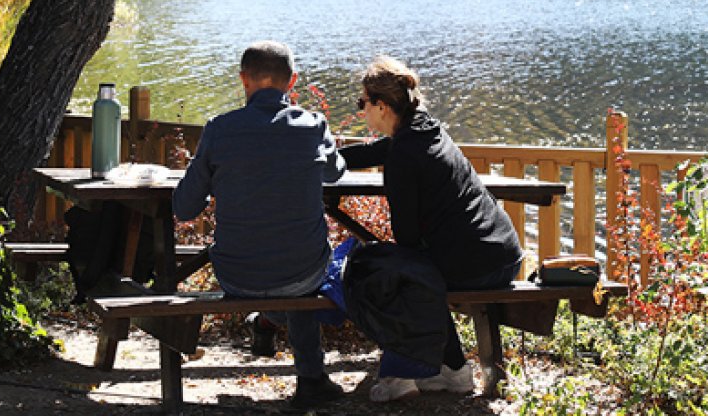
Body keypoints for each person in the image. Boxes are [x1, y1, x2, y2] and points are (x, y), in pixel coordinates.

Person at [172, 41, 347, 410]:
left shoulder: (219, 129)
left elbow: (185, 207)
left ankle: (267, 322)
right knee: (301, 267)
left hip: (237, 275)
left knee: (286, 266)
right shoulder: (313, 125)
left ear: (243, 80)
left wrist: (212, 188)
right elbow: (336, 173)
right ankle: (310, 378)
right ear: (292, 81)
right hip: (303, 273)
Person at [340, 55, 525, 402]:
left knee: (387, 272)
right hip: (501, 250)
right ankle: (451, 370)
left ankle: (404, 374)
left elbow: (407, 240)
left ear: (381, 106)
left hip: (477, 265)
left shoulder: (404, 159)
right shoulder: (425, 127)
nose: (360, 109)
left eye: (362, 102)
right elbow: (388, 147)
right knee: (410, 266)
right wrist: (335, 158)